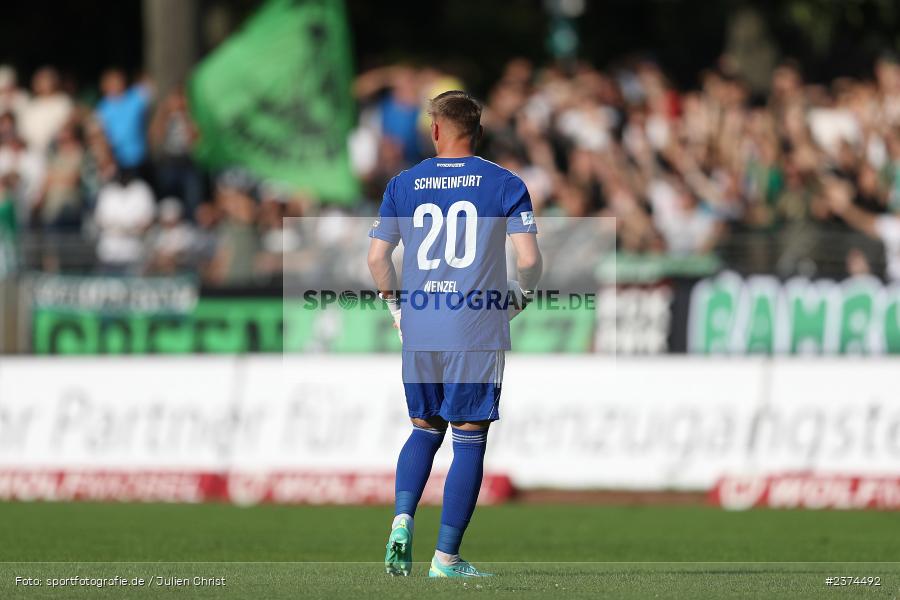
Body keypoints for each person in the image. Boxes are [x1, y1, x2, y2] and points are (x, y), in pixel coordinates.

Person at [367, 91, 541, 578]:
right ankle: (446, 558)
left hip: (421, 325)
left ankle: (402, 518)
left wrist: (397, 309)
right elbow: (527, 260)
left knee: (424, 428)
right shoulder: (504, 183)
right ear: (477, 131)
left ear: (436, 130)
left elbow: (378, 259)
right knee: (469, 436)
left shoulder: (403, 183)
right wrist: (519, 298)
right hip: (475, 326)